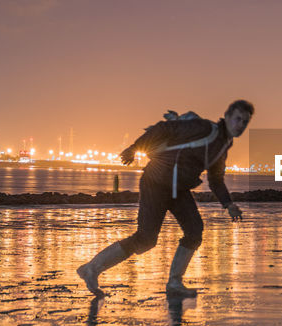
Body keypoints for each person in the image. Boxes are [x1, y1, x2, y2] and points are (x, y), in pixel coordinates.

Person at [77, 100, 254, 299]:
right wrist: (135, 147)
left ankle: (174, 282)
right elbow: (164, 128)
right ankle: (92, 268)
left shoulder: (223, 145)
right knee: (146, 239)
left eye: (245, 122)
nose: (241, 125)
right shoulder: (204, 128)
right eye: (238, 119)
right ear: (228, 116)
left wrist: (228, 204)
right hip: (157, 181)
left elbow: (215, 179)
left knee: (194, 231)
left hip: (178, 189)